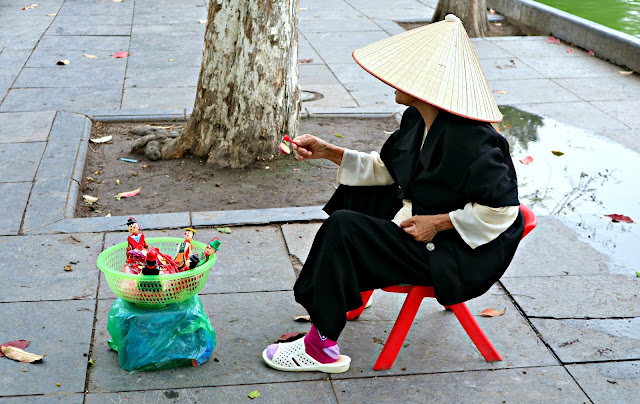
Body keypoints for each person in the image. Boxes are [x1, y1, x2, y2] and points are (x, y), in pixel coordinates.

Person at [262, 15, 524, 374]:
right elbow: (390, 168)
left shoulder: (475, 141)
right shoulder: (417, 119)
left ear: (425, 85)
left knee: (343, 228)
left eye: (403, 75)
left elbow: (504, 211)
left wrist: (439, 223)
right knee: (358, 196)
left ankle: (322, 346)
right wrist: (330, 152)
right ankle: (340, 289)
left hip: (462, 252)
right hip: (430, 223)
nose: (391, 81)